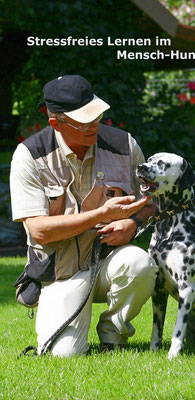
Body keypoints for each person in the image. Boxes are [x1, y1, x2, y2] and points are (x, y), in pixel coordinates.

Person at [10, 75, 158, 357]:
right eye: (83, 121)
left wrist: (134, 222)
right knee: (63, 355)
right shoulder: (29, 155)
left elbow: (152, 201)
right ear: (56, 123)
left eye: (96, 116)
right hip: (60, 273)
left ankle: (113, 336)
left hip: (109, 263)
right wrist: (101, 214)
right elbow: (39, 230)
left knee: (139, 262)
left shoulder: (125, 145)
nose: (93, 126)